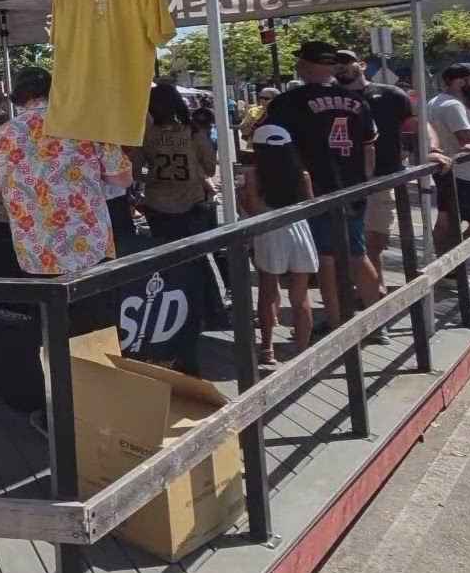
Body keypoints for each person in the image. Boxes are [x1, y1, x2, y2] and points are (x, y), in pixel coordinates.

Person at [0, 67, 132, 413]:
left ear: (18, 98)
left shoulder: (2, 136)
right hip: (90, 251)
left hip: (37, 255)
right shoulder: (87, 126)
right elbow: (123, 178)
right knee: (95, 336)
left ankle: (58, 411)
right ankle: (98, 415)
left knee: (49, 338)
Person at [262, 42, 386, 339]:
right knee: (352, 252)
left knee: (331, 258)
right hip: (352, 185)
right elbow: (370, 149)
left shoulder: (287, 102)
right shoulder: (356, 100)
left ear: (303, 65)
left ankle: (342, 322)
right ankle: (372, 319)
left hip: (314, 189)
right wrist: (363, 180)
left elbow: (273, 149)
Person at [138, 82, 225, 330]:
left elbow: (134, 170)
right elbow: (210, 168)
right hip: (191, 201)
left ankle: (173, 314)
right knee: (197, 259)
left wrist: (154, 174)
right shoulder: (194, 132)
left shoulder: (148, 134)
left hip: (157, 203)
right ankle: (210, 312)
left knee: (166, 261)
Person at [334, 49, 424, 266]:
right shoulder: (328, 98)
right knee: (346, 242)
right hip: (340, 181)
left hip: (382, 177)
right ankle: (363, 290)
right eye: (335, 63)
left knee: (376, 240)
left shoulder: (390, 94)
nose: (341, 66)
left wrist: (431, 151)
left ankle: (372, 290)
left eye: (347, 61)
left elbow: (416, 125)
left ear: (362, 65)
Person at [243, 124, 320, 367]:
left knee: (267, 292)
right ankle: (302, 349)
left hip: (269, 231)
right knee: (301, 296)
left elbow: (254, 209)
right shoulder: (302, 174)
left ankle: (267, 348)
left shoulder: (254, 175)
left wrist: (239, 200)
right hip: (298, 229)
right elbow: (310, 206)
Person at [426, 63, 470, 293]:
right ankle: (453, 267)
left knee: (446, 221)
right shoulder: (452, 105)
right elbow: (467, 140)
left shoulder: (438, 101)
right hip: (463, 174)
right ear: (459, 82)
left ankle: (447, 270)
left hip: (451, 172)